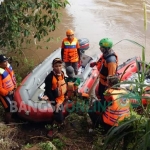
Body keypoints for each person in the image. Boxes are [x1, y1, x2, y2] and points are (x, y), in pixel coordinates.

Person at [90, 38, 118, 105]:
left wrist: (108, 87)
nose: (100, 48)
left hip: (105, 83)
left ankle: (102, 108)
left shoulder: (111, 61)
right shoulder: (105, 54)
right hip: (102, 80)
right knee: (99, 93)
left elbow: (111, 76)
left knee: (103, 97)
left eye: (101, 47)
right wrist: (95, 63)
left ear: (106, 48)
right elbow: (101, 62)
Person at [44, 58, 67, 138]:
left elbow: (63, 85)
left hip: (62, 97)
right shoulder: (49, 78)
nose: (58, 68)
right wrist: (55, 103)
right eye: (56, 66)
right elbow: (48, 91)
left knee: (57, 115)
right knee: (60, 118)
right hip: (55, 100)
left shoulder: (62, 73)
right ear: (53, 67)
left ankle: (56, 123)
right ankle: (51, 130)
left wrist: (66, 94)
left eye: (60, 66)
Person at [0, 54, 17, 124]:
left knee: (14, 105)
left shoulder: (7, 68)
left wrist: (15, 86)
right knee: (9, 109)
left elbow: (12, 78)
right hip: (4, 95)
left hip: (11, 91)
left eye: (6, 60)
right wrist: (7, 93)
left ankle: (13, 118)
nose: (6, 62)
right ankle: (8, 123)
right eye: (4, 61)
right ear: (0, 64)